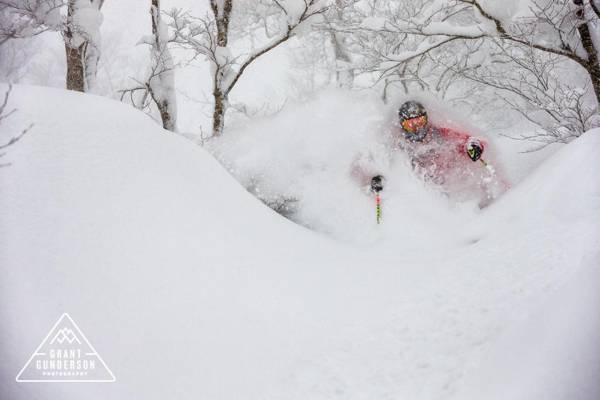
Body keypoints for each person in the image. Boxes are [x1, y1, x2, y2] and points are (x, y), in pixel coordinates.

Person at [353, 100, 506, 206]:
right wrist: (374, 179)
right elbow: (373, 162)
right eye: (410, 124)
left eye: (419, 122)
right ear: (402, 125)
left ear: (426, 120)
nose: (416, 128)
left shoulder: (439, 133)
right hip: (422, 194)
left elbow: (466, 139)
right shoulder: (394, 142)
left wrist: (473, 146)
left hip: (452, 185)